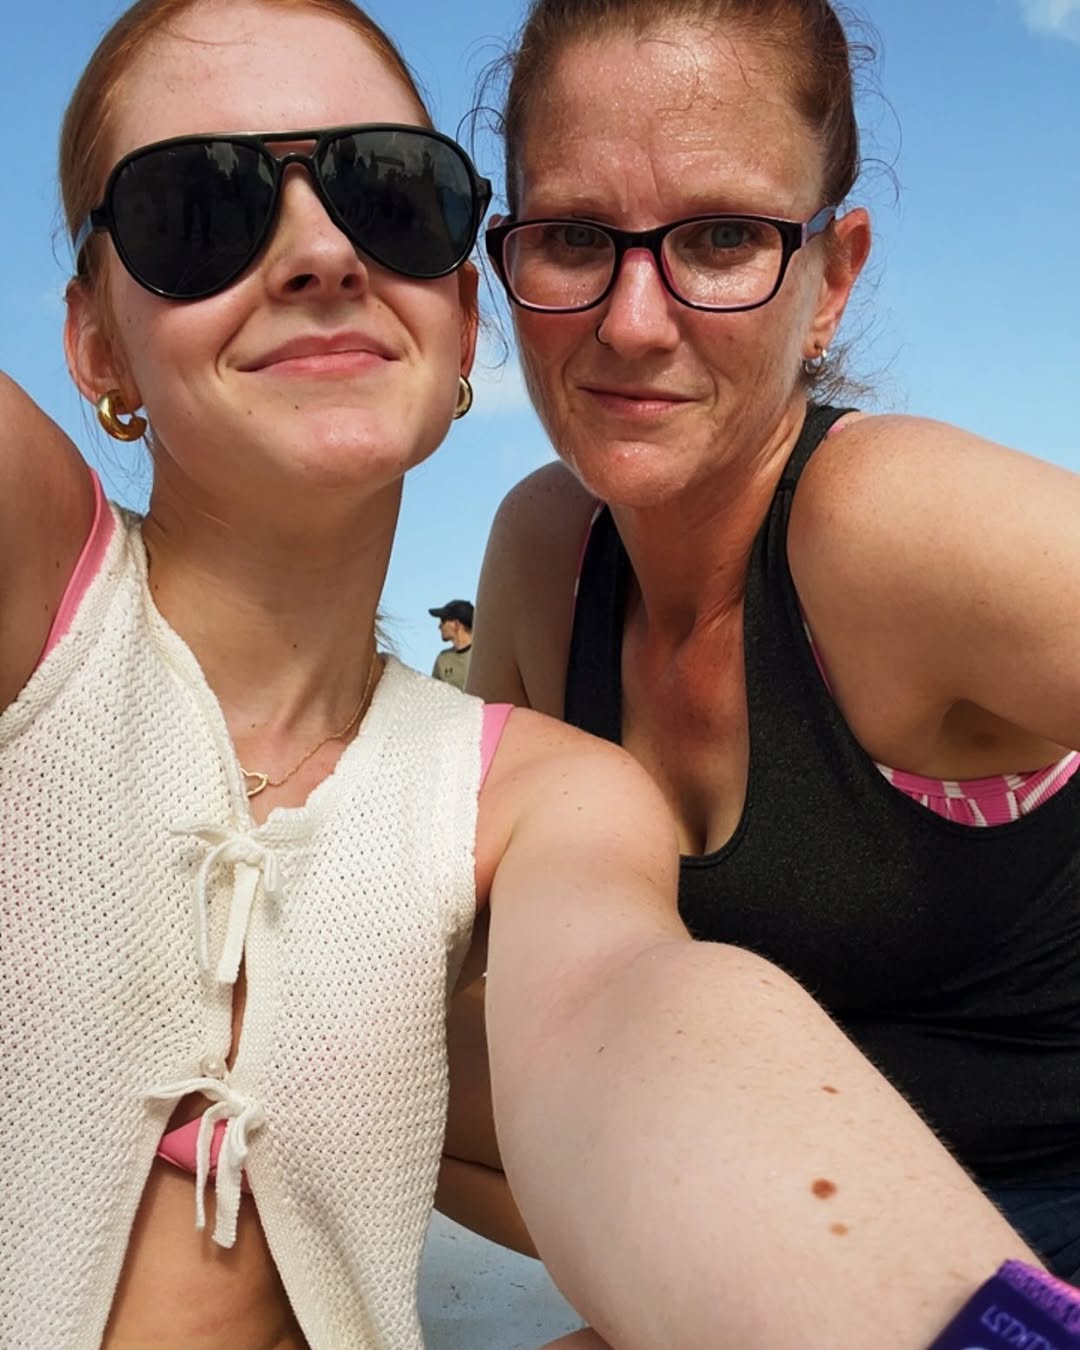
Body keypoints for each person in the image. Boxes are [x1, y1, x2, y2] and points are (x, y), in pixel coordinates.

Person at [0, 0, 1045, 1347]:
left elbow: (620, 1007)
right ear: (94, 339)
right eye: (197, 207)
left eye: (391, 198)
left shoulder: (539, 792)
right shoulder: (45, 594)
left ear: (458, 311)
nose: (320, 251)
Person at [462, 0, 1080, 1287]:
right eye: (574, 238)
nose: (635, 322)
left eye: (723, 237)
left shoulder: (884, 523)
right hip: (792, 1236)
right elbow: (475, 991)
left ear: (830, 281)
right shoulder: (546, 556)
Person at [429, 597, 475, 689]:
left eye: (443, 621)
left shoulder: (484, 655)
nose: (439, 626)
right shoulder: (443, 659)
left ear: (456, 624)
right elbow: (434, 693)